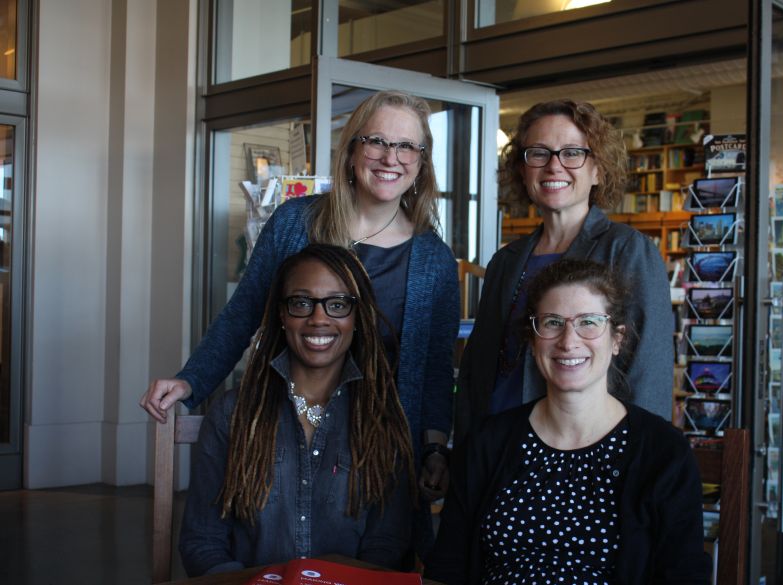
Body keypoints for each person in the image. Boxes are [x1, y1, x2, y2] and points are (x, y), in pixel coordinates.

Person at [140, 90, 459, 502]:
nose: (389, 157)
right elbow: (244, 313)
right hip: (283, 436)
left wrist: (433, 447)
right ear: (352, 150)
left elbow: (434, 371)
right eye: (377, 141)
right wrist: (190, 380)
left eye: (406, 146)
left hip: (378, 455)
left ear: (421, 161)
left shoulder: (434, 259)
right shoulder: (295, 222)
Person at [426, 258, 710, 584]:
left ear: (617, 339)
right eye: (552, 323)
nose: (569, 340)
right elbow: (447, 568)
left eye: (589, 322)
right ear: (532, 341)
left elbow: (684, 576)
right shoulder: (486, 444)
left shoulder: (664, 453)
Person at [179, 245, 415, 576]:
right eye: (302, 303)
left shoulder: (381, 419)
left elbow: (386, 546)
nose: (319, 319)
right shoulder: (233, 413)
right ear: (281, 314)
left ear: (357, 316)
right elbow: (202, 542)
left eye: (337, 305)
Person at [455, 99, 673, 442]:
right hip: (495, 448)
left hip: (584, 455)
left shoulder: (628, 251)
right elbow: (476, 369)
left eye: (572, 153)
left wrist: (634, 463)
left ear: (598, 169)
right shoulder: (505, 262)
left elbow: (649, 372)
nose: (554, 166)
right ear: (522, 169)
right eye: (539, 153)